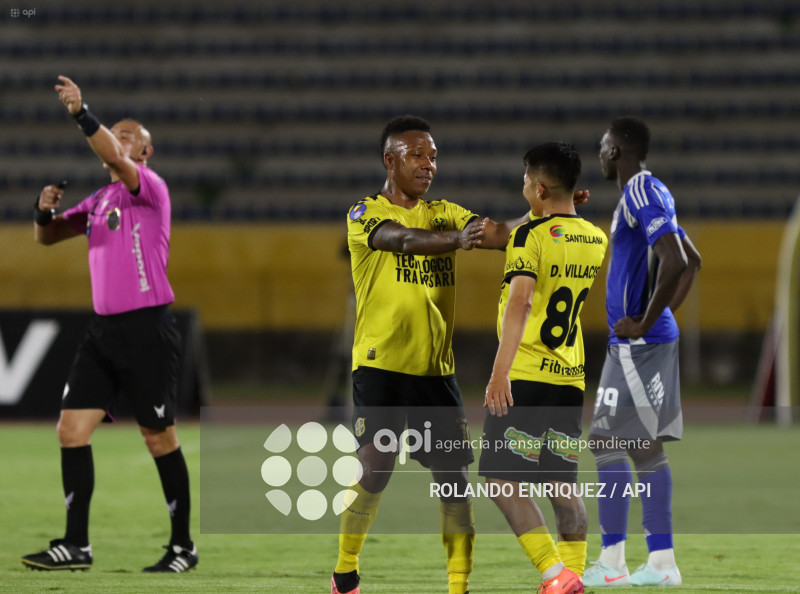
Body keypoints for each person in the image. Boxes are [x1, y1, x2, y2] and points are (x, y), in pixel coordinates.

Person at [21, 76, 197, 573]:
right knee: (71, 429)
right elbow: (47, 238)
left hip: (147, 329)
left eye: (126, 137)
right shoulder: (100, 201)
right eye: (113, 135)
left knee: (158, 437)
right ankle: (76, 545)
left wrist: (82, 114)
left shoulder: (149, 188)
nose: (117, 143)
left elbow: (117, 161)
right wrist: (42, 211)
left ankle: (182, 546)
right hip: (103, 332)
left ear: (145, 151)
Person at [480, 142, 607, 594]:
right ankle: (575, 573)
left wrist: (499, 373)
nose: (522, 190)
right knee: (561, 483)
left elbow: (522, 301)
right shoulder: (596, 237)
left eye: (524, 183)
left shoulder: (528, 237)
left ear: (538, 187)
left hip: (527, 375)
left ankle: (557, 575)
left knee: (500, 480)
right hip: (570, 380)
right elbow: (560, 227)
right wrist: (561, 206)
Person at [582, 116, 701, 588]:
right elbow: (692, 261)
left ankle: (615, 563)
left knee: (609, 442)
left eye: (602, 145)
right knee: (637, 446)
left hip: (637, 343)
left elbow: (675, 260)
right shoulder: (651, 192)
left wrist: (646, 322)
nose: (599, 152)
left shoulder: (639, 192)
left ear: (614, 151)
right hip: (638, 341)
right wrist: (660, 317)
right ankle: (659, 562)